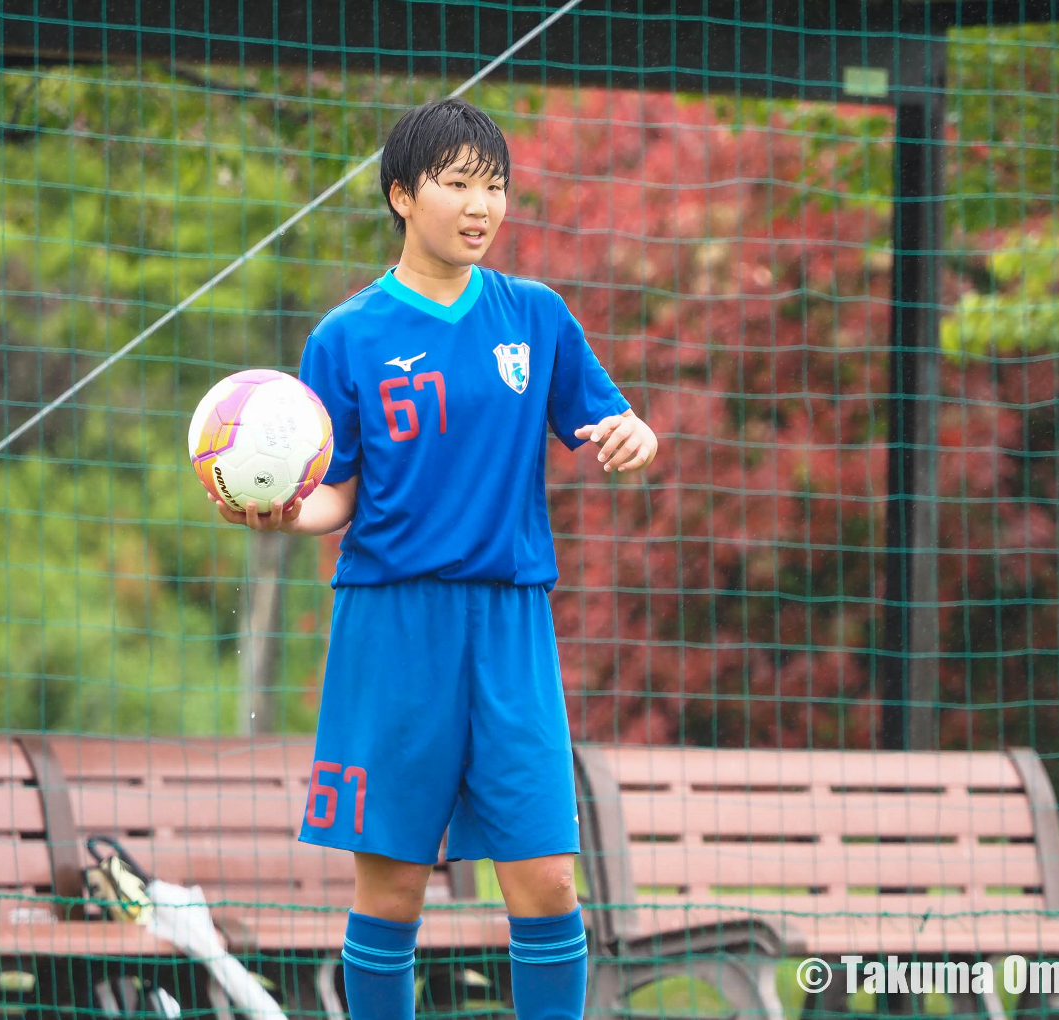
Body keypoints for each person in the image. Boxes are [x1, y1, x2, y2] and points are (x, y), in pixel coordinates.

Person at [211, 96, 658, 1020]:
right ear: (402, 195)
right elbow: (337, 490)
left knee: (545, 885)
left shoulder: (534, 316)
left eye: (494, 186)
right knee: (393, 893)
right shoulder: (348, 336)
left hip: (510, 624)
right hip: (392, 625)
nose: (481, 205)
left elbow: (609, 423)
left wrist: (635, 435)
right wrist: (286, 513)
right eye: (458, 184)